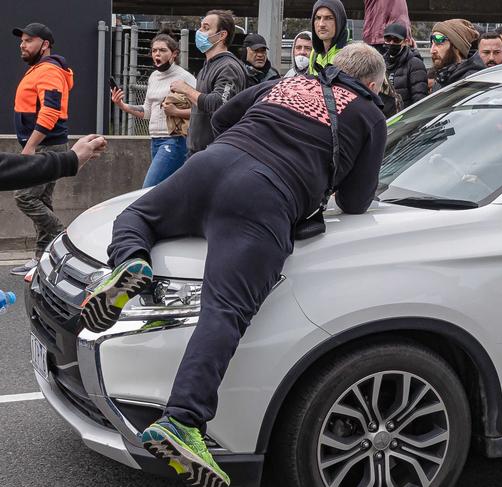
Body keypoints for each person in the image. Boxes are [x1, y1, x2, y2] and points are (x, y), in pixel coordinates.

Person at [79, 43, 388, 486]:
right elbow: (357, 201)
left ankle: (131, 263)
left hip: (212, 164)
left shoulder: (287, 80)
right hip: (265, 196)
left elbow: (221, 118)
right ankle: (182, 420)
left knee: (136, 217)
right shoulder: (369, 113)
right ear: (373, 84)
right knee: (224, 310)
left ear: (334, 68)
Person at [11, 23, 74, 276]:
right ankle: (41, 258)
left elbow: (50, 112)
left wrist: (30, 147)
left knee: (24, 197)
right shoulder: (39, 69)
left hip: (46, 147)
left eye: (28, 41)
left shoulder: (48, 71)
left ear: (45, 44)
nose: (22, 45)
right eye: (22, 41)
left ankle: (63, 239)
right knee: (41, 200)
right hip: (47, 145)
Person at [111, 32, 196, 188]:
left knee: (148, 190)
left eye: (162, 50)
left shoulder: (185, 77)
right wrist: (123, 106)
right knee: (163, 191)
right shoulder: (153, 77)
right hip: (155, 139)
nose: (157, 54)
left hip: (175, 140)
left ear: (174, 54)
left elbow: (201, 111)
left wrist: (176, 112)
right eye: (154, 50)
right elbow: (146, 112)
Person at [169, 10, 246, 156]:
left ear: (222, 35)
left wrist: (186, 89)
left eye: (206, 28)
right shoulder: (207, 65)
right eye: (200, 27)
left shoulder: (228, 67)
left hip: (215, 154)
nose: (199, 32)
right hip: (197, 151)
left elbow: (219, 104)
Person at [0, 135, 106, 191]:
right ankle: (55, 232)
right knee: (35, 198)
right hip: (45, 148)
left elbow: (50, 111)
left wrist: (31, 144)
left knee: (27, 197)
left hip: (47, 145)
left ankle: (55, 231)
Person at [429, 19, 482, 93]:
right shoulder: (441, 78)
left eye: (439, 43)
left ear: (456, 47)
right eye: (432, 43)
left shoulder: (472, 81)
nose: (432, 51)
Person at [383, 22, 427, 108]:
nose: (391, 43)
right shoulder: (381, 62)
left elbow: (419, 99)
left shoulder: (415, 64)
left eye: (396, 40)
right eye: (388, 39)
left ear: (405, 42)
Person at [309, 0, 349, 75]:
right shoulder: (314, 54)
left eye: (329, 18)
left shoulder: (352, 54)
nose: (321, 24)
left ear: (340, 21)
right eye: (317, 18)